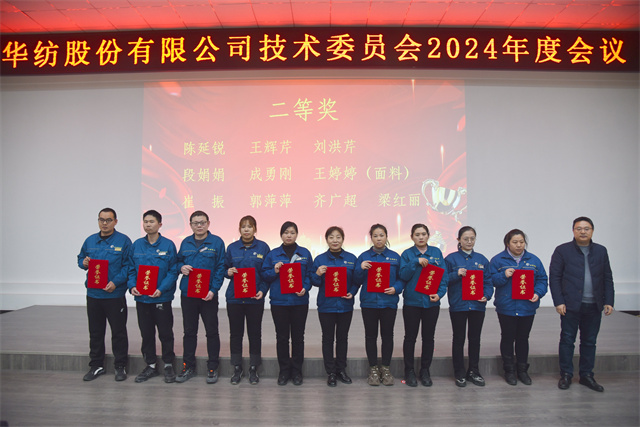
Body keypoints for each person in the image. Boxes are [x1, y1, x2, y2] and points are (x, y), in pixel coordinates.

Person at [549, 216, 614, 392]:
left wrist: (609, 300)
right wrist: (558, 301)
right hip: (570, 304)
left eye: (586, 229)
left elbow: (607, 277)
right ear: (573, 231)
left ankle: (586, 375)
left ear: (592, 231)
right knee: (567, 339)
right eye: (579, 228)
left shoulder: (601, 251)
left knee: (589, 341)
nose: (583, 232)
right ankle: (566, 374)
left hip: (594, 305)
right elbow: (554, 278)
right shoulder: (562, 250)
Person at [77, 207, 132, 382]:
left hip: (114, 295)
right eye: (101, 220)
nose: (105, 223)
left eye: (108, 220)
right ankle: (96, 365)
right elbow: (80, 259)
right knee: (95, 332)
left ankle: (120, 366)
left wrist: (115, 282)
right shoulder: (90, 241)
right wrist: (84, 262)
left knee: (118, 332)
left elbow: (128, 266)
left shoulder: (124, 241)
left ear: (115, 221)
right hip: (94, 295)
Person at [490, 229, 548, 386]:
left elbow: (542, 279)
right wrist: (503, 275)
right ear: (507, 243)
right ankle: (509, 370)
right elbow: (490, 280)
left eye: (521, 242)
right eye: (515, 242)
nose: (519, 245)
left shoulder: (534, 260)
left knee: (523, 338)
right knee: (507, 337)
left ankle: (522, 370)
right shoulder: (498, 260)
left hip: (527, 307)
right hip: (506, 307)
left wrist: (537, 293)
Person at [127, 210, 179, 383]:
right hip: (142, 299)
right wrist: (132, 286)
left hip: (161, 298)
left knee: (165, 333)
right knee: (146, 333)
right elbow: (131, 269)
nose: (148, 224)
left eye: (152, 221)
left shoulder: (168, 245)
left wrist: (161, 289)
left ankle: (168, 365)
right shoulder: (136, 245)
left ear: (160, 224)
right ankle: (150, 365)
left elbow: (173, 271)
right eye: (146, 222)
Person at [260, 221, 313, 386]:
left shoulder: (304, 253)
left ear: (297, 234)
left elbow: (310, 274)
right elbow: (264, 275)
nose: (289, 235)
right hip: (279, 302)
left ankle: (297, 371)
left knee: (298, 338)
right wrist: (274, 270)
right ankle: (284, 371)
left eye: (292, 232)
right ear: (281, 235)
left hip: (299, 302)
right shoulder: (273, 254)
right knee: (282, 338)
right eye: (286, 232)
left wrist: (305, 287)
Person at [176, 210, 226, 384]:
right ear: (190, 225)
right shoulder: (186, 242)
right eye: (196, 223)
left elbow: (220, 268)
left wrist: (214, 289)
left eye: (202, 222)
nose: (199, 226)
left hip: (208, 295)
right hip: (188, 294)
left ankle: (212, 367)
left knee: (211, 331)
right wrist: (181, 267)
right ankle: (188, 366)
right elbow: (177, 261)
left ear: (208, 223)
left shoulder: (217, 242)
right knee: (189, 332)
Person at [399, 223, 448, 387]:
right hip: (412, 302)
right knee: (410, 338)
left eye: (423, 234)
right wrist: (415, 262)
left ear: (428, 236)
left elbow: (443, 277)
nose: (421, 237)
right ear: (412, 237)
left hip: (431, 303)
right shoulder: (407, 254)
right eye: (417, 234)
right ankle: (409, 371)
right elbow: (403, 275)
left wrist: (440, 294)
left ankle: (425, 370)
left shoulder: (436, 253)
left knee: (428, 338)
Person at [355, 224, 404, 386]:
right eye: (375, 236)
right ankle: (373, 369)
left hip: (388, 303)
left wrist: (396, 288)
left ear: (386, 237)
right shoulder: (363, 257)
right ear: (371, 238)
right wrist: (360, 269)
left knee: (387, 336)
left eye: (381, 235)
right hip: (369, 303)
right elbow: (355, 280)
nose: (378, 238)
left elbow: (402, 278)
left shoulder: (395, 257)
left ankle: (386, 368)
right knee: (370, 336)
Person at [444, 226, 493, 387]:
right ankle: (459, 372)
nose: (469, 242)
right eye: (466, 239)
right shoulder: (451, 259)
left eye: (472, 238)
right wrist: (456, 274)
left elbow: (488, 281)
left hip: (477, 305)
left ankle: (474, 371)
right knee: (458, 339)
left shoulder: (482, 259)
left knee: (475, 339)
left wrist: (487, 295)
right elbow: (442, 279)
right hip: (458, 305)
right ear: (458, 240)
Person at [224, 215, 270, 385]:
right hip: (235, 299)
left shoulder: (263, 247)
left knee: (255, 334)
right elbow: (224, 268)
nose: (246, 229)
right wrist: (227, 272)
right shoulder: (232, 248)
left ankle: (253, 367)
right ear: (239, 229)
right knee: (236, 334)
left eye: (249, 226)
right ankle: (237, 367)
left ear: (255, 229)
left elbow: (266, 273)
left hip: (254, 299)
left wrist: (262, 291)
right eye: (243, 226)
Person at [310, 226, 358, 387]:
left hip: (345, 305)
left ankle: (341, 370)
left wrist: (352, 292)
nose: (335, 240)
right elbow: (314, 282)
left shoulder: (351, 258)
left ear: (343, 239)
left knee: (342, 338)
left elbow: (356, 281)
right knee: (328, 339)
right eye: (331, 237)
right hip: (326, 306)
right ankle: (330, 372)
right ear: (327, 240)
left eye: (338, 237)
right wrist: (317, 274)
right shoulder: (320, 260)